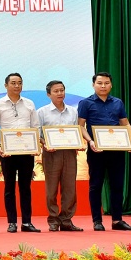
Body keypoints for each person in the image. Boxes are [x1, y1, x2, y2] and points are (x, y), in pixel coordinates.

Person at [78, 72, 131, 231]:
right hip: (96, 150)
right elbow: (80, 126)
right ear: (93, 85)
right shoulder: (86, 103)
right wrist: (90, 141)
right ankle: (97, 221)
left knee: (117, 185)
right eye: (100, 83)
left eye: (106, 83)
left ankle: (117, 220)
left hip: (117, 150)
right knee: (95, 185)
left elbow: (125, 124)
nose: (103, 86)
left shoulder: (118, 102)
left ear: (111, 85)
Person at [0, 72, 41, 233]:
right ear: (6, 85)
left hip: (27, 152)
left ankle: (27, 222)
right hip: (7, 153)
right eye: (13, 83)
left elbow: (36, 127)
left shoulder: (29, 104)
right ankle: (11, 222)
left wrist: (35, 145)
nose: (17, 86)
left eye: (19, 83)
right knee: (9, 188)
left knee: (26, 187)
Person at [37, 80, 83, 232]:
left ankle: (66, 220)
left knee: (70, 188)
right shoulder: (42, 112)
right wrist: (45, 144)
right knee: (51, 189)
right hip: (51, 153)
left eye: (62, 90)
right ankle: (53, 220)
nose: (60, 93)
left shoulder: (73, 111)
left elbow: (76, 131)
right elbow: (38, 134)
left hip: (69, 153)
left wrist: (78, 143)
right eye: (56, 91)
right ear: (48, 94)